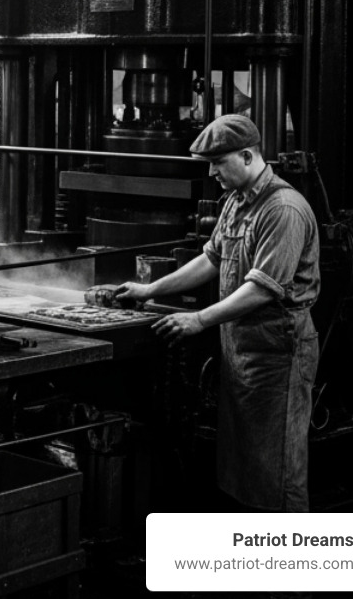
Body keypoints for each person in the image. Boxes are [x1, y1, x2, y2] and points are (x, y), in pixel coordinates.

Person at [116, 113, 320, 512]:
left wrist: (199, 319)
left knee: (277, 468)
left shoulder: (283, 210)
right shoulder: (236, 202)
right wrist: (150, 289)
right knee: (247, 463)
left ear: (247, 156)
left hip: (278, 351)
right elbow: (211, 259)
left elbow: (262, 289)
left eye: (218, 163)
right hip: (242, 349)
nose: (212, 173)